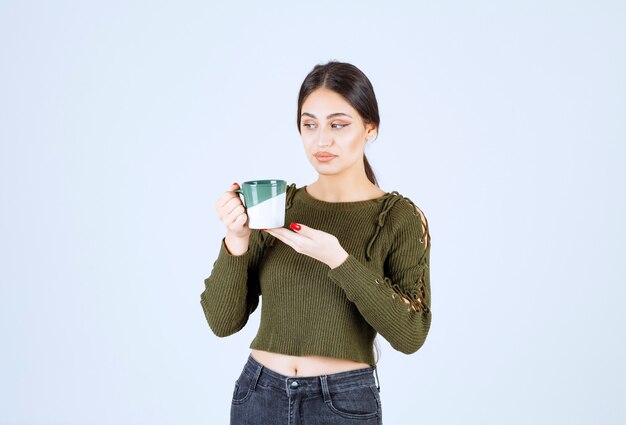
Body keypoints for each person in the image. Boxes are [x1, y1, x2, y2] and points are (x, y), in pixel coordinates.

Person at [200, 61, 432, 425]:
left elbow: (411, 334)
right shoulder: (279, 206)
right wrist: (237, 239)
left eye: (338, 124)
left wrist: (338, 260)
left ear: (370, 128)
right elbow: (222, 321)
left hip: (343, 402)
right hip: (258, 395)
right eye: (310, 125)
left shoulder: (398, 217)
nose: (321, 140)